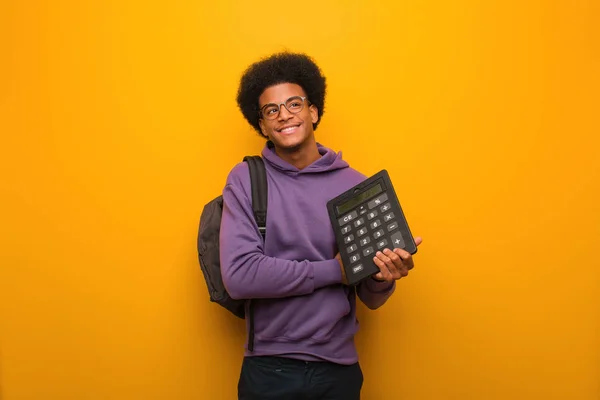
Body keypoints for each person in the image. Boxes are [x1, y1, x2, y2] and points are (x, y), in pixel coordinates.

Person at [219, 51, 423, 400]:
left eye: (294, 104)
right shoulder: (246, 179)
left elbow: (369, 297)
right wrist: (335, 270)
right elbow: (239, 275)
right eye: (272, 111)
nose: (284, 116)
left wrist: (381, 276)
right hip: (270, 369)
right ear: (263, 126)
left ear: (313, 111)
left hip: (339, 371)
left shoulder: (356, 186)